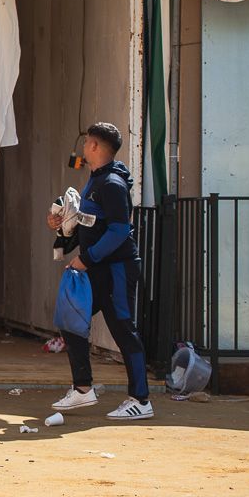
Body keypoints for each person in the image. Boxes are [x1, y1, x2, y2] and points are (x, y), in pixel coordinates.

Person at [45, 122, 153, 420]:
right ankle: (82, 390)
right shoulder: (95, 180)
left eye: (86, 143)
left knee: (123, 330)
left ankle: (141, 400)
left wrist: (86, 259)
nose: (83, 148)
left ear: (94, 146)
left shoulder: (112, 184)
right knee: (70, 319)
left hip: (116, 270)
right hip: (96, 270)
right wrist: (62, 229)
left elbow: (120, 230)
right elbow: (90, 224)